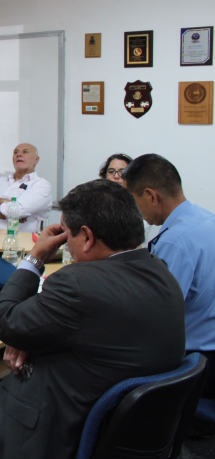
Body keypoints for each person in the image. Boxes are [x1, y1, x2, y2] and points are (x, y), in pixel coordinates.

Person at [0, 179, 185, 459]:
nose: (66, 244)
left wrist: (35, 257)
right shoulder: (161, 272)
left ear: (87, 238)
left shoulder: (78, 284)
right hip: (126, 431)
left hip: (55, 431)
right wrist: (31, 338)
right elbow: (97, 331)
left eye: (68, 235)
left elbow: (6, 321)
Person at [122, 154, 215, 399]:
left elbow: (156, 316)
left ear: (151, 196)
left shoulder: (174, 241)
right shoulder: (206, 219)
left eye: (132, 200)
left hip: (197, 364)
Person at [0, 143, 52, 232]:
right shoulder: (2, 181)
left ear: (36, 160)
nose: (19, 154)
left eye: (25, 152)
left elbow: (16, 211)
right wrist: (5, 201)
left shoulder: (42, 185)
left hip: (15, 237)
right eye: (16, 152)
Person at [97, 152, 159, 244]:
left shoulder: (141, 205)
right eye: (111, 171)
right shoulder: (97, 204)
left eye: (122, 171)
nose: (116, 176)